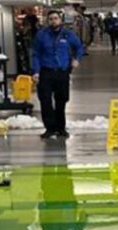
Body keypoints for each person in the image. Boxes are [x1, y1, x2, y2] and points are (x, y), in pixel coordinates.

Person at [32, 10, 84, 139]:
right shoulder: (41, 35)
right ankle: (50, 129)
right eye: (51, 19)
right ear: (47, 21)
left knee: (61, 101)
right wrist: (36, 71)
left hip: (62, 72)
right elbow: (35, 54)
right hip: (46, 72)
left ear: (60, 20)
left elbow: (79, 47)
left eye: (55, 18)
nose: (53, 21)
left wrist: (77, 59)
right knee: (45, 101)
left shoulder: (68, 34)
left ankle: (61, 128)